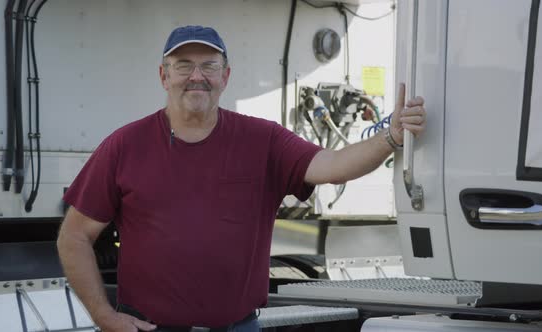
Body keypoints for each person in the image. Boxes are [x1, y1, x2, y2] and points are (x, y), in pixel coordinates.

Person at [57, 25, 426, 332]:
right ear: (164, 75)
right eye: (183, 66)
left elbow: (332, 165)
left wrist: (390, 137)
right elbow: (74, 236)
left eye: (209, 66)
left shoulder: (262, 140)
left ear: (226, 76)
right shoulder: (125, 145)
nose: (196, 77)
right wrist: (103, 317)